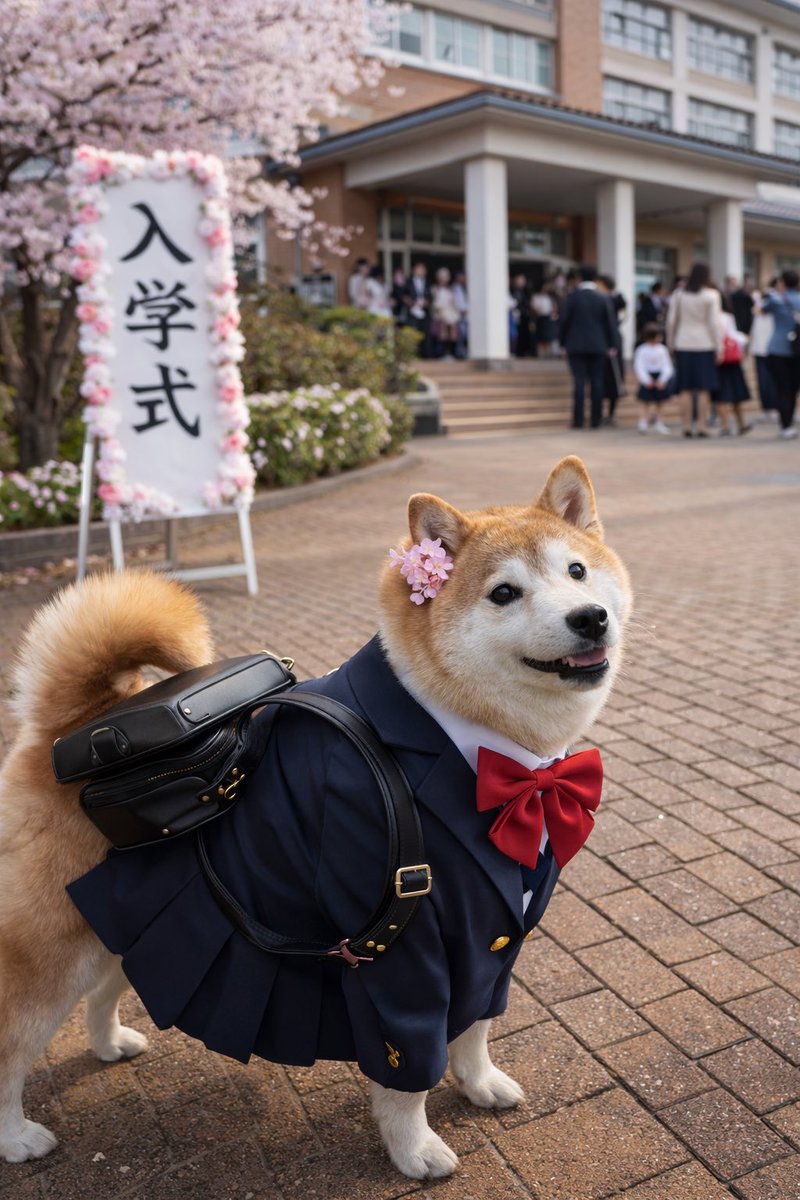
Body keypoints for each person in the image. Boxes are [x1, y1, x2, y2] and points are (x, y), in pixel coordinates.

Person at [666, 261, 722, 438]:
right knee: (704, 389)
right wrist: (719, 347)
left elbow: (671, 322)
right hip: (705, 344)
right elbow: (714, 324)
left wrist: (670, 344)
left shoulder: (679, 294)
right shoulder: (711, 295)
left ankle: (687, 425)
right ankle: (702, 426)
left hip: (683, 343)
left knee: (685, 388)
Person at [558, 263, 618, 429]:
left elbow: (564, 322)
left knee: (578, 383)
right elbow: (610, 324)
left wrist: (562, 343)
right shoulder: (603, 298)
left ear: (579, 278)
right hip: (599, 346)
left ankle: (577, 420)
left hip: (575, 345)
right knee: (597, 382)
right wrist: (612, 344)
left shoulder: (572, 297)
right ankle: (595, 420)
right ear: (595, 279)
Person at [761, 268, 800, 439]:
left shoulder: (777, 300)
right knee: (792, 389)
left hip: (777, 349)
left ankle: (785, 425)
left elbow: (761, 310)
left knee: (782, 389)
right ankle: (788, 421)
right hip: (797, 350)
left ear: (782, 282)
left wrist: (775, 291)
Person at [714, 293, 752, 436]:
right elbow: (734, 336)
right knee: (736, 393)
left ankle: (725, 426)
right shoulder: (727, 316)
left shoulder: (713, 317)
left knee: (721, 395)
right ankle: (741, 423)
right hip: (732, 359)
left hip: (718, 359)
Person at [633, 322, 673, 434]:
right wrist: (645, 380)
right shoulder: (641, 350)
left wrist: (663, 379)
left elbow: (667, 366)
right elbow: (639, 366)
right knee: (644, 403)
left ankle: (659, 423)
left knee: (660, 403)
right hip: (648, 377)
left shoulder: (662, 349)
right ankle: (643, 422)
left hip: (659, 377)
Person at [596, 274, 624, 424]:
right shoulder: (598, 298)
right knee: (600, 381)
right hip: (602, 344)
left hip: (613, 345)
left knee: (614, 379)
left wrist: (612, 345)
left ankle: (611, 414)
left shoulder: (616, 298)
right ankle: (600, 413)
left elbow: (618, 320)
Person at [750, 281, 778, 420]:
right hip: (766, 349)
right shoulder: (762, 306)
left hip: (768, 349)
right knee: (766, 380)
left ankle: (771, 407)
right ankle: (768, 408)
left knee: (768, 380)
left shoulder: (770, 306)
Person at [403, 262, 433, 358]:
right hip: (412, 312)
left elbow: (431, 297)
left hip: (424, 312)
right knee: (412, 333)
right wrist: (411, 303)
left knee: (425, 335)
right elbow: (403, 295)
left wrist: (425, 302)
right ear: (414, 270)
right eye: (419, 269)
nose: (421, 271)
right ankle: (412, 355)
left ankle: (426, 356)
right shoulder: (408, 282)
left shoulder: (428, 282)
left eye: (423, 269)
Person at [430, 267, 460, 359]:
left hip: (450, 313)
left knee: (452, 333)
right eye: (442, 276)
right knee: (442, 334)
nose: (444, 279)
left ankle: (450, 353)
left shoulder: (450, 289)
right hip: (439, 314)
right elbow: (434, 303)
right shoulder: (434, 289)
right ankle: (441, 354)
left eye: (445, 276)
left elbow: (454, 302)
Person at [510, 274, 534, 357]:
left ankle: (525, 351)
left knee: (526, 334)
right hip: (516, 317)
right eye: (519, 281)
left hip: (525, 317)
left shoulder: (527, 291)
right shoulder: (513, 291)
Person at [531, 283, 558, 357]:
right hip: (540, 318)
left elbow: (554, 307)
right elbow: (534, 308)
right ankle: (541, 354)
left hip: (548, 318)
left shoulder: (550, 298)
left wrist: (553, 312)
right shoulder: (536, 297)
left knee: (548, 336)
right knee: (540, 337)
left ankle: (548, 354)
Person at [452, 271, 469, 358]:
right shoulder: (454, 288)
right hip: (459, 315)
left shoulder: (468, 288)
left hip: (468, 315)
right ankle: (459, 354)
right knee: (460, 336)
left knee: (467, 336)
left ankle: (466, 352)